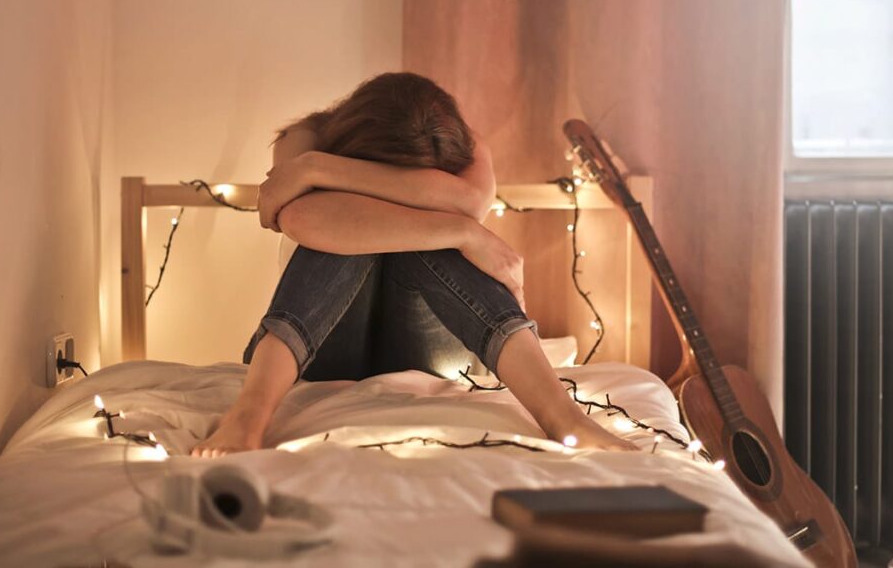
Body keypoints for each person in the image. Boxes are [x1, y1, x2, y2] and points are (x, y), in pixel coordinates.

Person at [191, 72, 635, 457]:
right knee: (342, 234)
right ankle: (248, 417)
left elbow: (469, 202)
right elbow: (305, 219)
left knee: (410, 234)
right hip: (324, 347)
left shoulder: (462, 142)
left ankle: (563, 416)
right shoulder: (304, 139)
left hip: (428, 352)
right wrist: (461, 232)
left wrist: (319, 173)